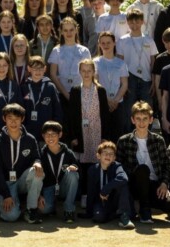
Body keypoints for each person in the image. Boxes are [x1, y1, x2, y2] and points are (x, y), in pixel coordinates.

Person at [116, 101, 170, 224]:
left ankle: (139, 204)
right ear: (132, 120)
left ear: (151, 120)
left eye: (145, 119)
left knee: (169, 206)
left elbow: (166, 165)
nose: (141, 123)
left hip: (154, 184)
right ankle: (144, 209)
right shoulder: (124, 141)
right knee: (142, 169)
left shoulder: (158, 140)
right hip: (134, 183)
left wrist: (164, 183)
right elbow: (118, 166)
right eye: (138, 119)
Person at [65, 58, 112, 200]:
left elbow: (105, 115)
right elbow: (71, 116)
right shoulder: (75, 90)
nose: (86, 73)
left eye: (89, 71)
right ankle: (84, 194)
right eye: (83, 71)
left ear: (93, 72)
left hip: (97, 132)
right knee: (83, 166)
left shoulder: (101, 90)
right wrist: (73, 136)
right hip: (82, 133)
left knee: (97, 164)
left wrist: (105, 135)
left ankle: (97, 195)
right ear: (79, 72)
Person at [0, 103, 44, 223]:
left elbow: (36, 157)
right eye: (10, 118)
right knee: (11, 217)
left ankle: (31, 210)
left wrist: (37, 162)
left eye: (17, 119)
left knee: (37, 171)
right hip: (6, 183)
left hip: (21, 181)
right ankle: (17, 203)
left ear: (22, 119)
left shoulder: (30, 139)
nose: (13, 122)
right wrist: (6, 195)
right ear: (4, 119)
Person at [85, 141, 134, 229]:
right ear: (98, 156)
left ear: (114, 158)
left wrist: (105, 190)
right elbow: (91, 191)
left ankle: (124, 216)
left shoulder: (117, 166)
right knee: (98, 217)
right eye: (105, 153)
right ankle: (113, 214)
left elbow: (124, 178)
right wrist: (89, 211)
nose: (108, 156)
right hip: (102, 202)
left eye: (111, 154)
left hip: (116, 200)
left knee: (123, 184)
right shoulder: (92, 170)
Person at [38, 121, 79, 223]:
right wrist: (39, 195)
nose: (50, 138)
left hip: (64, 186)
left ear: (60, 135)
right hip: (49, 187)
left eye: (54, 135)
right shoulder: (41, 153)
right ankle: (52, 206)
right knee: (44, 209)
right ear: (43, 136)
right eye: (47, 135)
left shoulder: (68, 152)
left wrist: (73, 167)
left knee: (73, 174)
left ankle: (69, 210)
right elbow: (37, 176)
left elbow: (76, 166)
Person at [19, 56, 62, 143]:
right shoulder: (24, 87)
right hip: (28, 132)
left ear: (45, 69)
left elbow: (57, 110)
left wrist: (56, 129)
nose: (38, 71)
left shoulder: (50, 87)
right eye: (35, 68)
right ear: (29, 69)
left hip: (46, 133)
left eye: (40, 68)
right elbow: (20, 110)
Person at [48, 17, 92, 103]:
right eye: (65, 30)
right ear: (61, 32)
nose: (69, 33)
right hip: (61, 93)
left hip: (81, 92)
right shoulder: (56, 50)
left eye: (71, 30)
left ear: (76, 30)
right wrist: (66, 94)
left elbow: (89, 72)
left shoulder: (84, 50)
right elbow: (53, 74)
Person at [93, 32, 128, 137]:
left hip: (118, 104)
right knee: (104, 134)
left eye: (108, 42)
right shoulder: (95, 62)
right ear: (99, 44)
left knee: (118, 134)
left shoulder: (121, 63)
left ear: (114, 43)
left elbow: (124, 84)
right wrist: (107, 100)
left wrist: (115, 101)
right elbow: (95, 83)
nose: (106, 45)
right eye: (103, 43)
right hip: (102, 103)